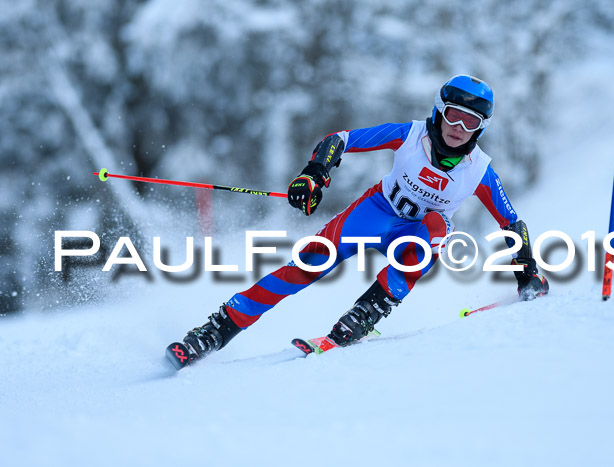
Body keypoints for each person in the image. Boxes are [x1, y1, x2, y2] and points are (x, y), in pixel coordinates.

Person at [171, 74, 549, 364]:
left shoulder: (480, 170)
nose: (458, 129)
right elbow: (341, 138)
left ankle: (364, 315)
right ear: (439, 109)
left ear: (481, 127)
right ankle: (216, 330)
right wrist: (314, 173)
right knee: (305, 265)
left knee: (435, 231)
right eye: (454, 116)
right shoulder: (410, 135)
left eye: (471, 123)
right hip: (377, 211)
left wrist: (527, 270)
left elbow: (511, 223)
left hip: (418, 230)